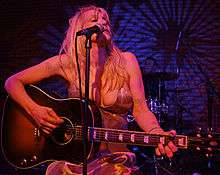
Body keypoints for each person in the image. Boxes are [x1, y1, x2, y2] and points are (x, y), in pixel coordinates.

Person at [4, 5, 177, 175]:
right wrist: (35, 111)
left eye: (106, 20)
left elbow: (141, 109)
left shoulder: (127, 61)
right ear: (80, 30)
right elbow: (12, 82)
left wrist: (156, 133)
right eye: (95, 20)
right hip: (74, 160)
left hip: (116, 159)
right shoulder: (66, 63)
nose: (103, 22)